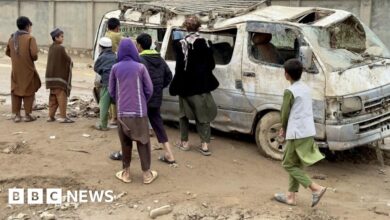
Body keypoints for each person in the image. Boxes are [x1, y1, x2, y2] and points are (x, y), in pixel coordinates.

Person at [274, 59, 326, 207]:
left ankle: (316, 188)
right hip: (308, 130)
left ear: (286, 74)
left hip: (296, 132)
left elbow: (284, 113)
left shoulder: (290, 91)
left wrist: (283, 129)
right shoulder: (305, 88)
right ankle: (290, 197)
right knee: (294, 164)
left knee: (287, 164)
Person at [109, 38, 158, 184]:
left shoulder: (115, 68)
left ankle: (126, 174)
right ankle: (147, 175)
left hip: (122, 113)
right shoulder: (140, 67)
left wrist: (120, 101)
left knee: (125, 144)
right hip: (139, 112)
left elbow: (112, 91)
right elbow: (149, 89)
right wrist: (142, 101)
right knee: (143, 142)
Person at [169, 16, 219, 156]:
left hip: (184, 87)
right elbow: (211, 65)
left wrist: (176, 85)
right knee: (203, 116)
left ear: (185, 27)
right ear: (199, 27)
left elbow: (179, 68)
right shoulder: (206, 44)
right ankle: (204, 146)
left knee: (183, 115)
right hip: (201, 87)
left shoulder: (179, 44)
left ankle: (184, 143)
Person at [136, 33, 176, 164]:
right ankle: (169, 154)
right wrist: (158, 88)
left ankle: (129, 155)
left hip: (143, 98)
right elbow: (169, 76)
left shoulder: (140, 60)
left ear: (140, 45)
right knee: (158, 125)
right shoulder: (159, 58)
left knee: (134, 126)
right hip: (156, 98)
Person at [6, 16, 41, 123]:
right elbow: (34, 55)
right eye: (30, 26)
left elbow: (7, 52)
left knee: (16, 90)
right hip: (28, 69)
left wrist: (16, 58)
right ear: (27, 26)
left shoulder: (12, 38)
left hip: (16, 69)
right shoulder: (30, 38)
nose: (31, 28)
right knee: (29, 90)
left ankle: (16, 115)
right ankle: (27, 115)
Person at [45, 28, 73, 123]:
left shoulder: (51, 47)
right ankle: (63, 117)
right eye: (61, 37)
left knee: (53, 98)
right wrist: (71, 62)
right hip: (59, 79)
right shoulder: (60, 48)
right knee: (62, 97)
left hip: (50, 78)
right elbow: (68, 60)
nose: (63, 38)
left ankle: (50, 116)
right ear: (56, 38)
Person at [94, 37, 117, 130]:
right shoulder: (116, 56)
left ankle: (103, 125)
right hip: (117, 84)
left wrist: (103, 72)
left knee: (104, 104)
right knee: (119, 104)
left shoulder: (101, 57)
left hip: (106, 83)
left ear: (101, 47)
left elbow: (96, 68)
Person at [105, 17, 122, 126]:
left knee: (110, 90)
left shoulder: (106, 35)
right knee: (117, 91)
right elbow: (127, 42)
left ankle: (112, 117)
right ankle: (116, 117)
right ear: (117, 27)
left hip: (108, 64)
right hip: (116, 62)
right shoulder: (117, 35)